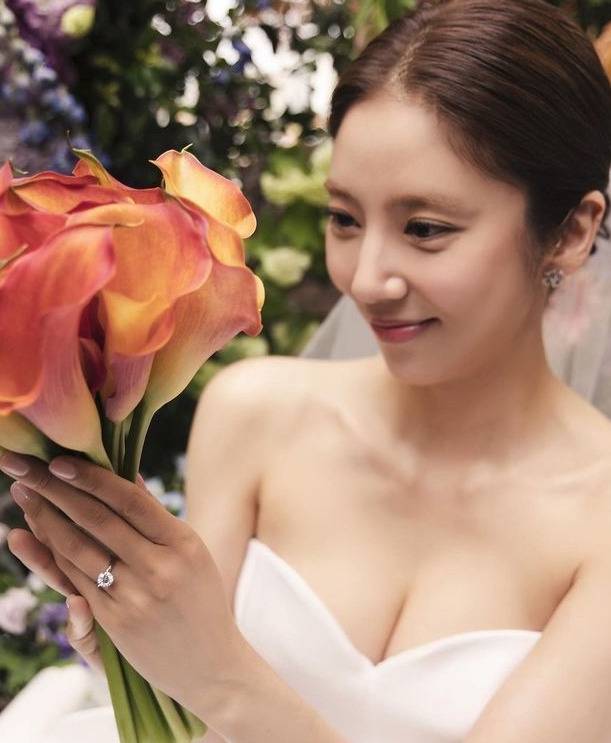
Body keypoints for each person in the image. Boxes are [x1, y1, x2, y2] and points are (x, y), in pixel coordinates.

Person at [3, 0, 611, 741]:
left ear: (571, 231)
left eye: (425, 229)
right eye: (344, 219)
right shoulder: (256, 415)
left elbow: (214, 681)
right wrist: (136, 647)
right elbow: (188, 728)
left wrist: (218, 675)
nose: (367, 279)